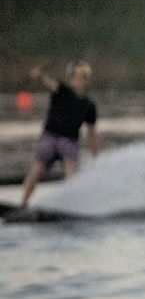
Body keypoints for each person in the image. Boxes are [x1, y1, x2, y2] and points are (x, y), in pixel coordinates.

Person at [19, 62, 99, 206]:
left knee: (71, 174)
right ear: (71, 78)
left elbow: (92, 134)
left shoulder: (89, 105)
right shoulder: (62, 90)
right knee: (37, 170)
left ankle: (71, 206)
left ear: (87, 80)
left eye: (83, 78)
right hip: (49, 138)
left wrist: (96, 157)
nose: (80, 80)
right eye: (77, 77)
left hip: (69, 142)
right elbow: (49, 83)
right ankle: (23, 203)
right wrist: (40, 76)